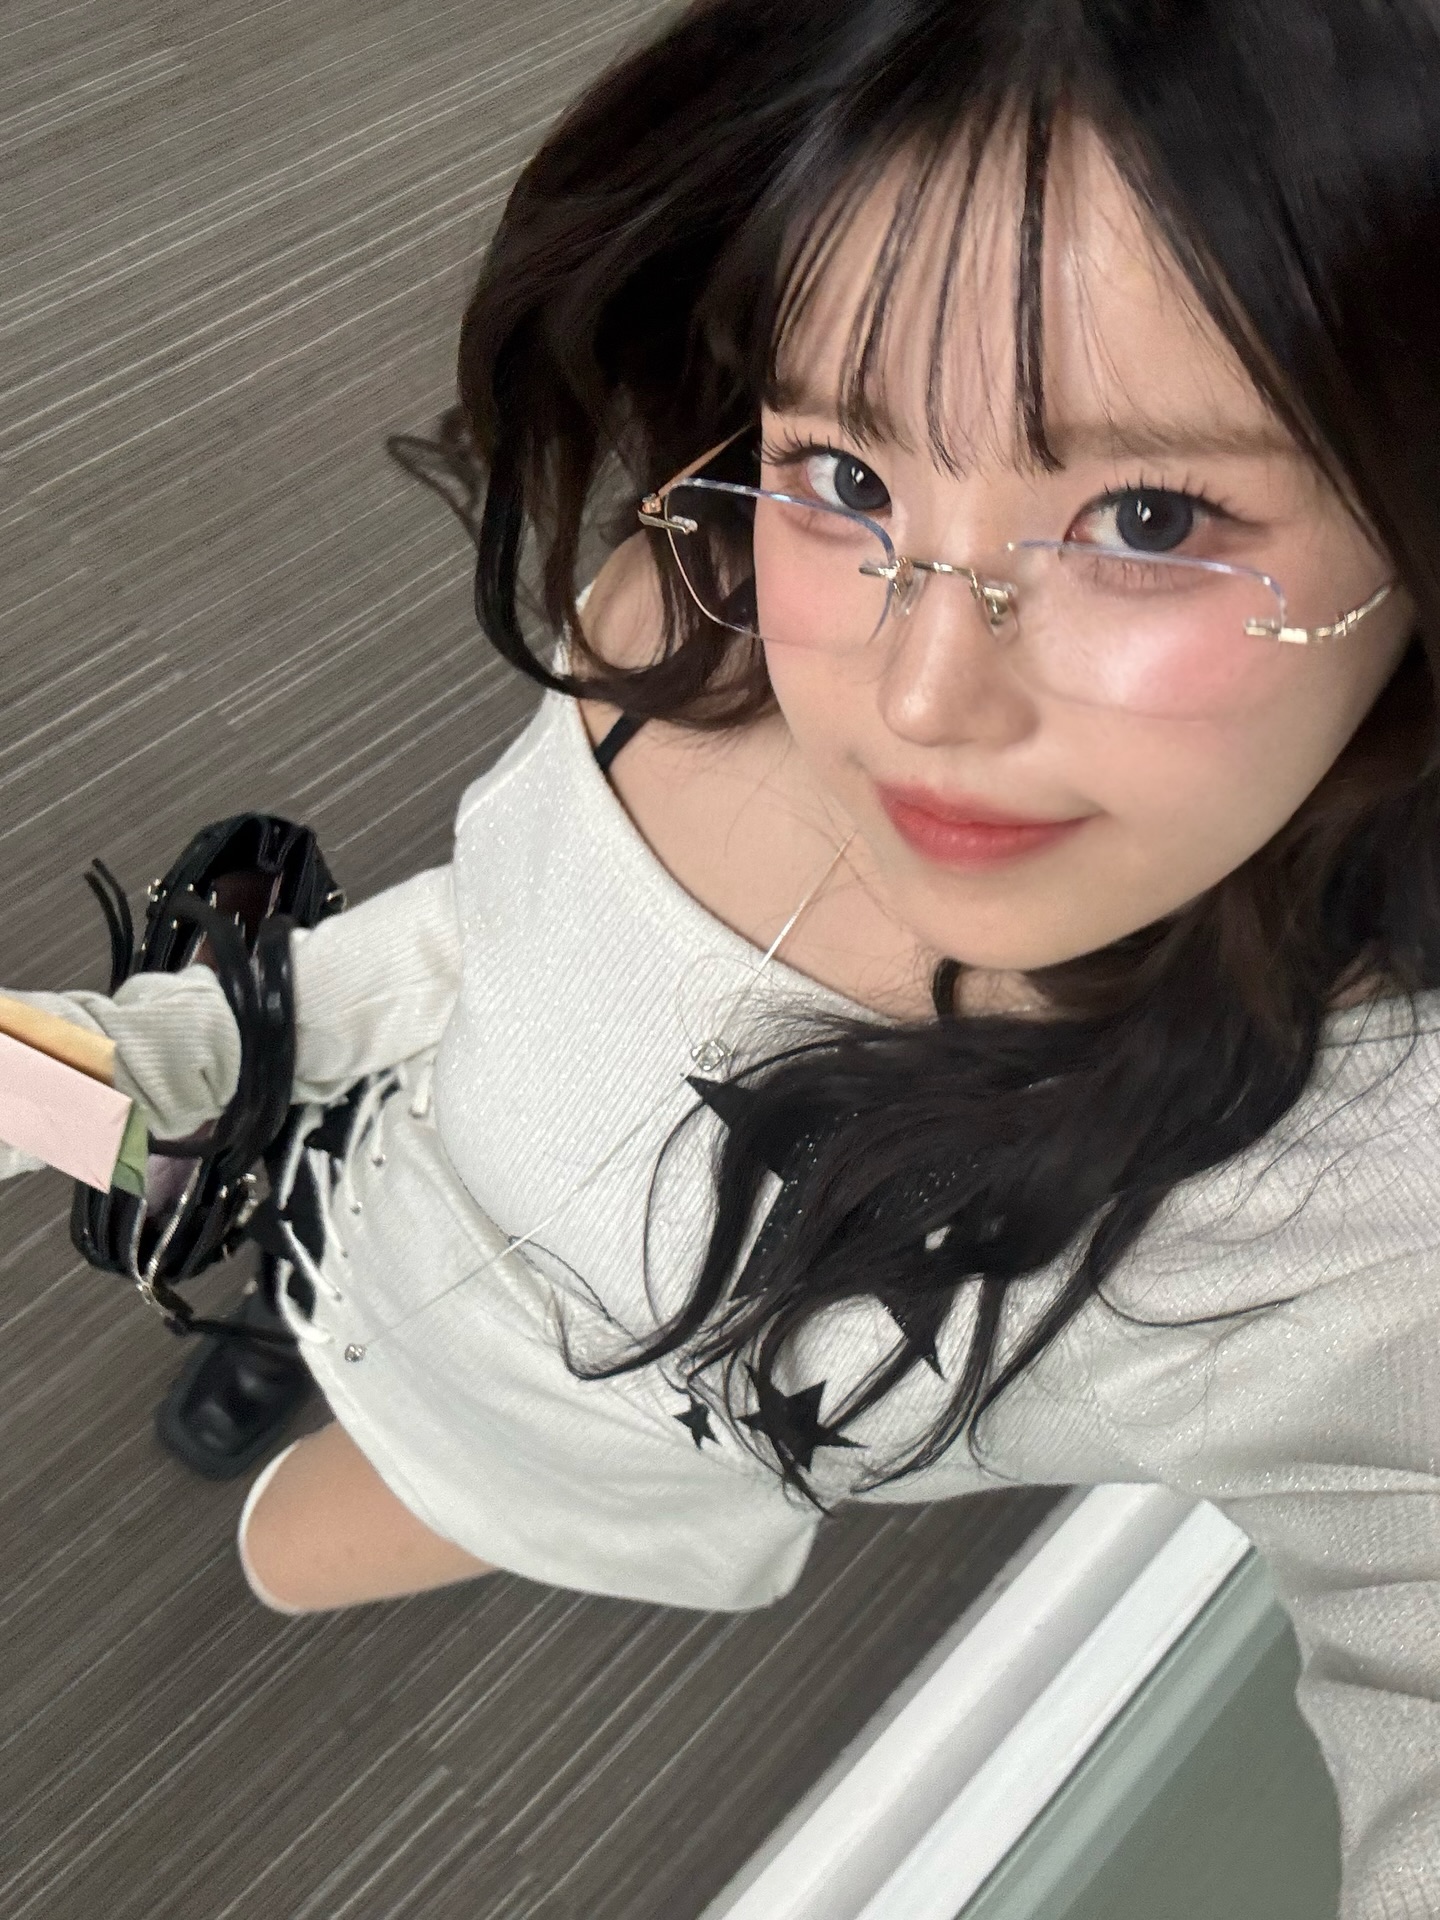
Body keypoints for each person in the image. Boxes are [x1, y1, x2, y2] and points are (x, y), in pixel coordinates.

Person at [4, 0, 1438, 1909]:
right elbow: (474, 942)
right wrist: (103, 1065)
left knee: (291, 1548)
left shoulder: (1362, 1219)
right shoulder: (679, 629)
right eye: (847, 476)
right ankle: (293, 1301)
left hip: (545, 1455)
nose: (917, 697)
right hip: (379, 1165)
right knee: (279, 1246)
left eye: (1148, 516)